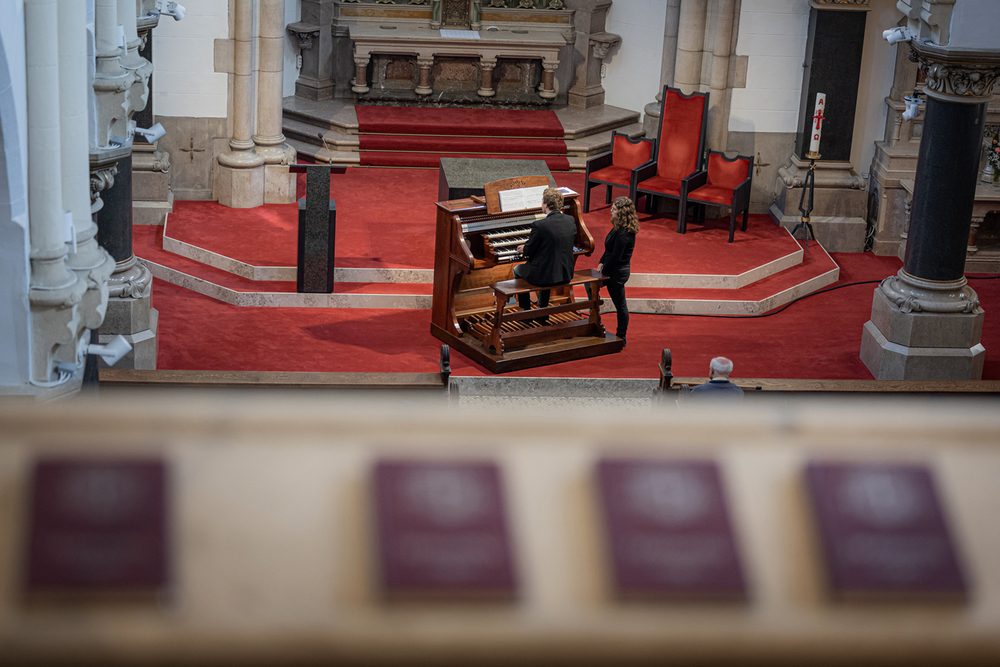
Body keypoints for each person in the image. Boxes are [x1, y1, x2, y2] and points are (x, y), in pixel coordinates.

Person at [514, 187, 577, 319]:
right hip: (565, 273)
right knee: (547, 263)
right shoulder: (570, 220)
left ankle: (526, 312)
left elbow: (529, 252)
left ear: (546, 204)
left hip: (546, 276)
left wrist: (524, 248)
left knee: (517, 269)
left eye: (542, 202)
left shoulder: (540, 225)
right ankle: (543, 309)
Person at [595, 196, 638, 345]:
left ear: (621, 212)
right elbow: (609, 249)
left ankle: (622, 336)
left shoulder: (624, 234)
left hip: (617, 272)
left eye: (613, 209)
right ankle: (594, 321)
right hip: (611, 269)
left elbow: (616, 257)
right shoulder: (618, 227)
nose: (610, 211)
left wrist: (603, 271)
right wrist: (601, 261)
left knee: (620, 305)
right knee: (590, 286)